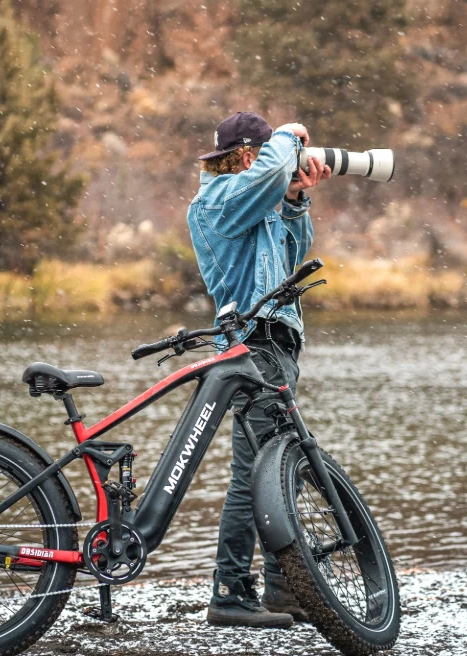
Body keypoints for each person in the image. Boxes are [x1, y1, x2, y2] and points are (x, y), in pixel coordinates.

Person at [186, 111, 331, 628]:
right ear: (249, 155)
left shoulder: (255, 198)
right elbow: (266, 175)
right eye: (268, 152)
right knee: (254, 474)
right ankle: (231, 591)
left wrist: (294, 200)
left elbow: (293, 252)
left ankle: (279, 587)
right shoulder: (217, 201)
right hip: (254, 343)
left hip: (274, 344)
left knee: (271, 468)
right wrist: (289, 139)